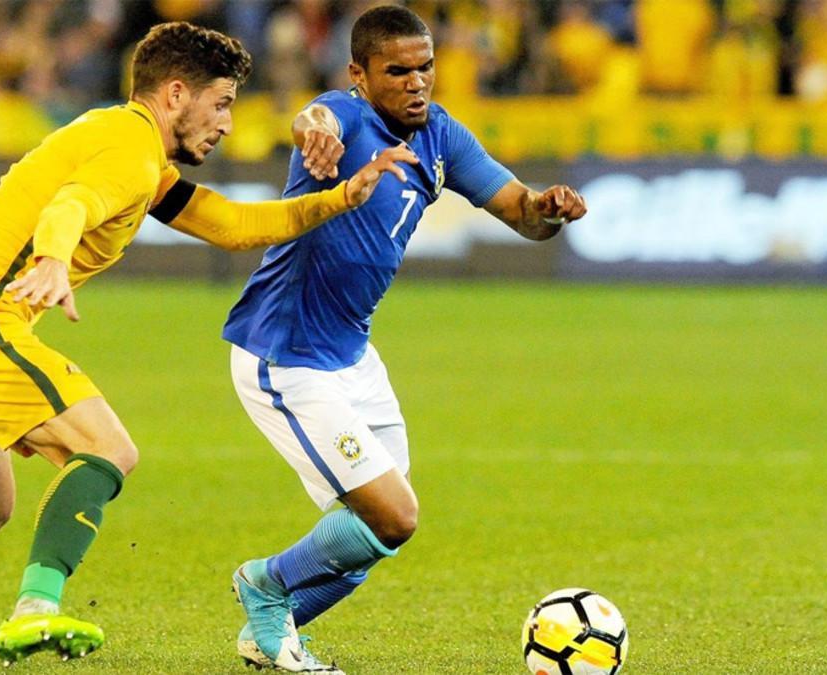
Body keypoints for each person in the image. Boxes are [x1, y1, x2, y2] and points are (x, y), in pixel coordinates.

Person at [0, 21, 417, 675]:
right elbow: (70, 207)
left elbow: (231, 223)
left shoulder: (131, 150)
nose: (227, 124)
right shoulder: (127, 150)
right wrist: (52, 258)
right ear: (176, 94)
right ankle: (35, 607)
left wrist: (339, 198)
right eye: (222, 103)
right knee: (108, 447)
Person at [218, 6, 587, 673]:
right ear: (359, 73)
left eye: (426, 68)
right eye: (398, 71)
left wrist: (548, 210)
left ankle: (272, 629)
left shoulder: (441, 137)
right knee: (390, 516)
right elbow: (315, 118)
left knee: (373, 535)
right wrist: (315, 135)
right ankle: (263, 584)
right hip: (287, 356)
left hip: (353, 354)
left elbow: (522, 215)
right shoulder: (346, 119)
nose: (417, 83)